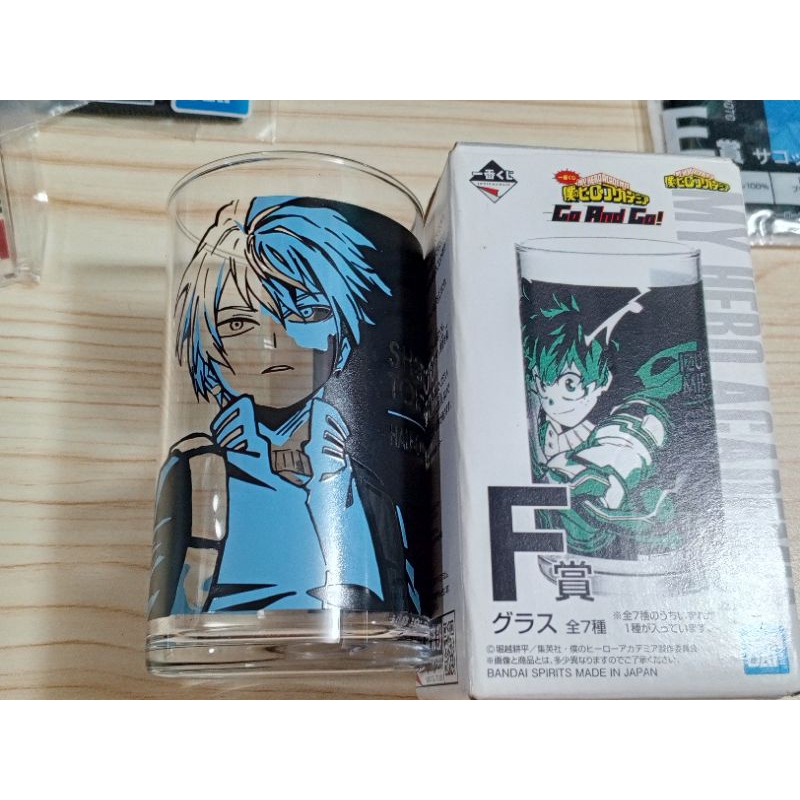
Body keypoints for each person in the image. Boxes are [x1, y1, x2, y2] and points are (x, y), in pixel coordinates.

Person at [149, 197, 418, 618]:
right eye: (238, 323)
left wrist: (331, 484)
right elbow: (171, 610)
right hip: (219, 648)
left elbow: (400, 608)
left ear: (340, 332)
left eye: (305, 312)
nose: (274, 341)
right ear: (208, 348)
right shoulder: (194, 473)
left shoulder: (368, 489)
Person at [522, 290, 697, 558]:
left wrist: (599, 477)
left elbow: (631, 430)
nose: (552, 397)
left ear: (600, 384)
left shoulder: (630, 412)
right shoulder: (536, 423)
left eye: (570, 384)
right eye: (542, 381)